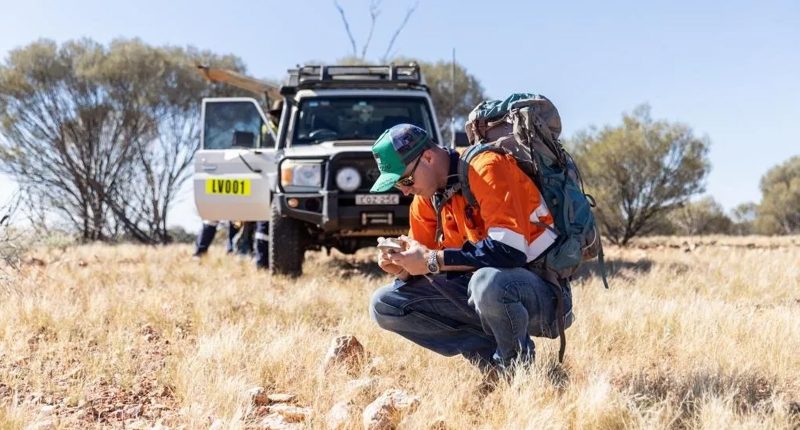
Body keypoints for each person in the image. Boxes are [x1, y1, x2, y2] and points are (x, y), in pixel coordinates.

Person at [368, 124, 574, 373]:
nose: (405, 190)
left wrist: (432, 259)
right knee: (385, 304)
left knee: (486, 282)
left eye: (406, 179)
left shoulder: (487, 167)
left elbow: (509, 251)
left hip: (544, 297)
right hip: (482, 297)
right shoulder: (426, 199)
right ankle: (493, 364)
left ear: (429, 157)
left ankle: (518, 371)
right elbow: (425, 267)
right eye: (397, 185)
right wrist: (402, 266)